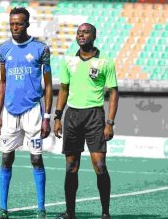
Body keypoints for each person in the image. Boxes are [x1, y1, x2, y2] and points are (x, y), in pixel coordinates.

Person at [0, 7, 53, 219]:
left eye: (18, 23)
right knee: (6, 158)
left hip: (33, 111)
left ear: (27, 24)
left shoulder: (41, 49)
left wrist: (47, 117)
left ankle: (41, 208)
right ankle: (3, 209)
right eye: (12, 24)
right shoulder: (3, 49)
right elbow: (2, 82)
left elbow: (48, 85)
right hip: (10, 112)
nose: (14, 27)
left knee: (36, 160)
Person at [53, 23, 118, 219]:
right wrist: (57, 117)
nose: (81, 36)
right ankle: (70, 213)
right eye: (79, 33)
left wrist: (110, 122)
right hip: (72, 116)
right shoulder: (68, 61)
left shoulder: (105, 62)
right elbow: (63, 90)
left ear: (94, 35)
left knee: (99, 165)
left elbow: (113, 93)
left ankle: (105, 212)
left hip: (95, 116)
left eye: (85, 32)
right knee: (71, 166)